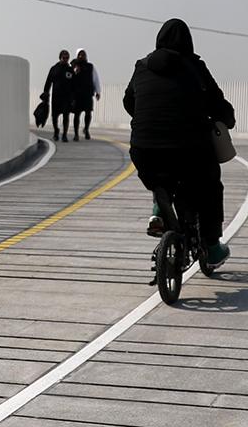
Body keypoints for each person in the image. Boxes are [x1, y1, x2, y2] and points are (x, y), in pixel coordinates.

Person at [122, 18, 235, 264]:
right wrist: (227, 118)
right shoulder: (195, 67)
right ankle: (212, 246)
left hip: (143, 150)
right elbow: (216, 101)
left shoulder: (142, 66)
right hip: (189, 149)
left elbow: (129, 102)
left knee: (160, 176)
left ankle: (159, 210)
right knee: (209, 186)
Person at [40, 49, 76, 141]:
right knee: (54, 116)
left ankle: (64, 135)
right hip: (56, 97)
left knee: (66, 116)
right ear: (60, 58)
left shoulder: (70, 70)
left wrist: (73, 98)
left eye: (67, 58)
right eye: (64, 57)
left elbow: (74, 85)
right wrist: (46, 92)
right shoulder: (54, 69)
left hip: (66, 98)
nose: (65, 59)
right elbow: (48, 82)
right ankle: (56, 131)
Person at [70, 49, 100, 140]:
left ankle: (86, 129)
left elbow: (95, 79)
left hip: (88, 94)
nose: (81, 56)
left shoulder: (90, 66)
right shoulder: (73, 65)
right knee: (77, 114)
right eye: (80, 54)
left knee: (88, 113)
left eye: (83, 54)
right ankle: (76, 134)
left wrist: (98, 91)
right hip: (77, 95)